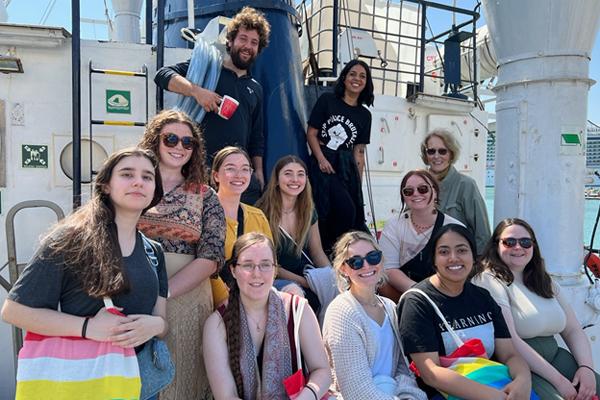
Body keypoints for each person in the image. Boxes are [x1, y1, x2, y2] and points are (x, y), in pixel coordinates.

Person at [1, 148, 167, 398]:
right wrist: (87, 328)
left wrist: (157, 325)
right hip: (80, 379)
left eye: (147, 177)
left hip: (141, 382)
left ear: (155, 190)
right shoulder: (69, 241)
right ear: (106, 185)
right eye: (126, 174)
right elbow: (15, 311)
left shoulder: (154, 251)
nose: (138, 182)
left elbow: (161, 320)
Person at [137, 110, 225, 400]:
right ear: (155, 141)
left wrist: (162, 294)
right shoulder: (135, 186)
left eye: (188, 143)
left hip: (186, 301)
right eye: (171, 139)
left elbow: (211, 257)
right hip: (134, 295)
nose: (179, 147)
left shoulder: (206, 196)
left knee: (183, 381)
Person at [398, 224, 532, 399]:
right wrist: (494, 397)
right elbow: (430, 373)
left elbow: (509, 354)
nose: (453, 258)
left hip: (494, 384)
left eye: (461, 250)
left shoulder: (482, 297)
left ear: (473, 257)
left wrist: (523, 380)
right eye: (444, 252)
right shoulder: (417, 302)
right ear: (434, 259)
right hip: (444, 394)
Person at [473, 218, 600, 400]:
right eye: (509, 242)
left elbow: (573, 330)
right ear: (496, 245)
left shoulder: (543, 280)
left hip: (556, 356)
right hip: (521, 365)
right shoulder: (489, 280)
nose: (518, 247)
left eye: (525, 242)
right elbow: (512, 340)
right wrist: (560, 381)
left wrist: (586, 368)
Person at [155, 6, 271, 204]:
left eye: (254, 42)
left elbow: (256, 136)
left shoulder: (256, 88)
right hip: (200, 167)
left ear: (258, 49)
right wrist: (197, 92)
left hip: (235, 172)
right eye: (242, 39)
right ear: (230, 40)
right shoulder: (209, 70)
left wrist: (258, 171)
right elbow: (162, 76)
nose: (247, 46)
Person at [203, 232, 331, 399]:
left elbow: (322, 371)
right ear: (233, 270)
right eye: (248, 265)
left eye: (265, 265)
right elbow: (226, 396)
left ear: (275, 269)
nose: (257, 273)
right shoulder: (217, 324)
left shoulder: (298, 310)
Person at [322, 231, 427, 400]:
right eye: (355, 262)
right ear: (343, 268)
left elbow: (403, 368)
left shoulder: (391, 307)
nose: (366, 266)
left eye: (372, 257)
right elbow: (357, 391)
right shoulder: (341, 312)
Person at [306, 59, 374, 254]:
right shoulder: (328, 101)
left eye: (362, 76)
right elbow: (311, 133)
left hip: (346, 166)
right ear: (344, 78)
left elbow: (358, 151)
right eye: (353, 74)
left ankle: (338, 252)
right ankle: (327, 250)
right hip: (324, 161)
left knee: (351, 211)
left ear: (366, 83)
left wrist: (357, 185)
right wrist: (320, 159)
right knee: (335, 209)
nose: (357, 79)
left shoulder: (364, 115)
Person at [256, 155, 331, 312]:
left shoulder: (308, 211)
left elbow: (317, 252)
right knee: (298, 297)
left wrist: (332, 277)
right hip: (274, 279)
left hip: (306, 275)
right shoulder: (261, 212)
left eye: (300, 174)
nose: (295, 179)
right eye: (288, 173)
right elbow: (269, 264)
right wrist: (305, 283)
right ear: (276, 179)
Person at [379, 169, 463, 299]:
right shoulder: (393, 225)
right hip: (405, 295)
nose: (416, 194)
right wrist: (421, 293)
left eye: (423, 189)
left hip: (445, 294)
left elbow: (458, 267)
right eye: (408, 191)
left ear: (434, 191)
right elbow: (389, 269)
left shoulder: (454, 228)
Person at [420, 128, 490, 254]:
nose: (436, 156)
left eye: (442, 151)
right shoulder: (418, 184)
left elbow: (482, 232)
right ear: (426, 155)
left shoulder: (466, 185)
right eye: (431, 151)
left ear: (451, 154)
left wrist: (478, 266)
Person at [211, 146, 272, 276]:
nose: (239, 175)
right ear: (216, 175)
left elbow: (271, 263)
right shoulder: (202, 213)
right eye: (230, 169)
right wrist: (224, 295)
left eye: (245, 169)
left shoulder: (258, 216)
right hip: (211, 293)